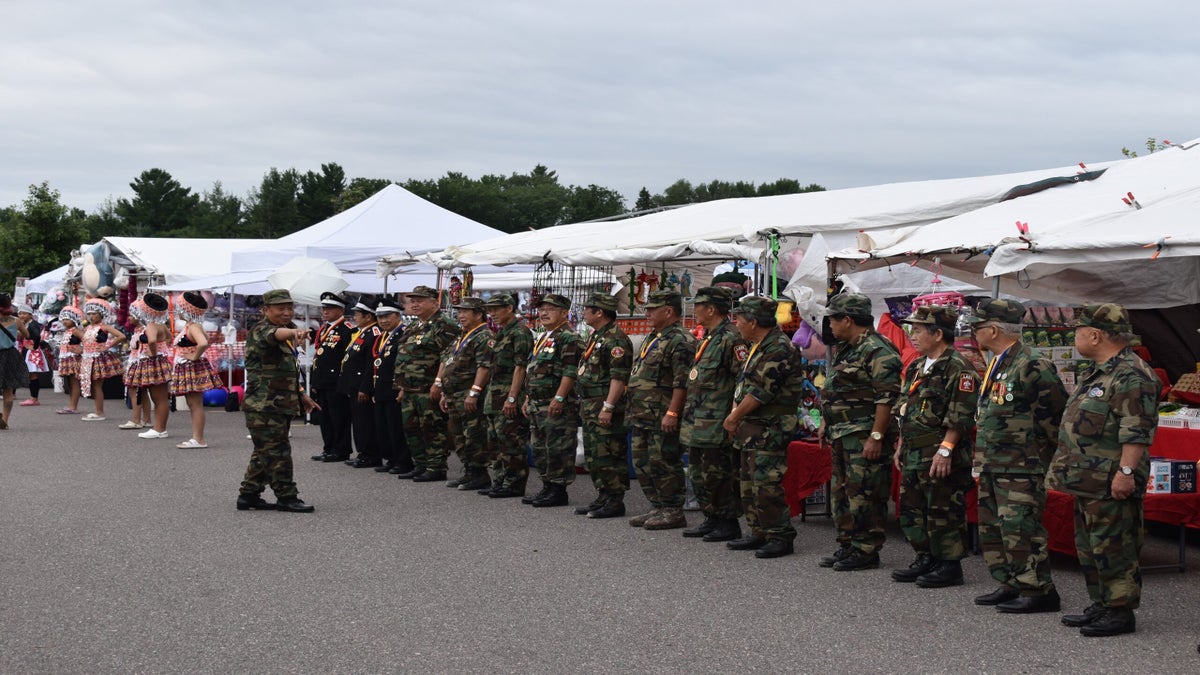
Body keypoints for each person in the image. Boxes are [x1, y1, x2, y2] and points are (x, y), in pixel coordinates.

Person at [1048, 303, 1159, 637]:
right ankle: (1101, 602)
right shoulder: (1099, 371)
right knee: (1091, 545)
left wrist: (1125, 473)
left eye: (1078, 331)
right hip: (1088, 479)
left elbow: (1136, 430)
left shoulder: (1131, 374)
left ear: (1094, 335)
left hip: (1111, 477)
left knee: (1115, 546)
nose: (1075, 336)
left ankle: (1120, 611)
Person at [966, 299, 1068, 613]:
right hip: (995, 462)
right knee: (994, 528)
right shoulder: (1000, 361)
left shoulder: (1031, 363)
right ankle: (1010, 582)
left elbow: (1055, 414)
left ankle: (1038, 589)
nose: (973, 333)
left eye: (977, 327)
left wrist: (1040, 456)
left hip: (1022, 465)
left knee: (1020, 527)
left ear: (993, 329)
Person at [892, 305, 979, 588]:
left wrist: (946, 450)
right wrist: (901, 444)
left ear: (938, 334)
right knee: (913, 507)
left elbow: (960, 414)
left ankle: (949, 564)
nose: (912, 336)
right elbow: (906, 407)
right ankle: (925, 556)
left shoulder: (958, 367)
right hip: (915, 449)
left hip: (939, 450)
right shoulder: (918, 365)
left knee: (943, 508)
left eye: (917, 330)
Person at [819, 293, 902, 571]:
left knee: (865, 492)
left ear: (848, 319)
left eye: (833, 318)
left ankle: (866, 548)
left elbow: (887, 398)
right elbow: (836, 390)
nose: (829, 324)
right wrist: (825, 423)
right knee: (842, 492)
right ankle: (849, 543)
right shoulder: (849, 347)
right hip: (843, 432)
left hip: (863, 434)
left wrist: (876, 436)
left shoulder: (879, 350)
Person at [722, 296, 804, 559]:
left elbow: (760, 393)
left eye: (740, 320)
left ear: (754, 322)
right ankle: (759, 530)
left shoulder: (778, 347)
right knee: (748, 481)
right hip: (754, 425)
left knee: (766, 482)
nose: (736, 324)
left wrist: (734, 417)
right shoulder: (759, 345)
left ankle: (779, 535)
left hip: (771, 425)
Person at [236, 289, 320, 513]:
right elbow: (274, 334)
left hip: (280, 403)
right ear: (266, 310)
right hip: (263, 406)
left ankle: (249, 495)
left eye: (289, 308)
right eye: (280, 308)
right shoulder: (260, 330)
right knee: (278, 452)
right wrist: (294, 333)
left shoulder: (290, 330)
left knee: (266, 451)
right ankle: (287, 497)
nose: (286, 312)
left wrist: (302, 395)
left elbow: (289, 369)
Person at [680, 286, 746, 541]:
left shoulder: (731, 338)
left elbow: (741, 380)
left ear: (711, 309)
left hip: (717, 418)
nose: (694, 310)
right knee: (699, 471)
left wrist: (733, 416)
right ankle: (712, 516)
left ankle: (727, 521)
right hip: (699, 418)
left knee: (719, 472)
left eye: (698, 305)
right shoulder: (709, 336)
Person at [627, 290, 695, 529]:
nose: (647, 313)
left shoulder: (681, 340)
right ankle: (657, 505)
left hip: (662, 413)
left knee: (664, 461)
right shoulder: (654, 336)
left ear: (668, 311)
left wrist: (673, 413)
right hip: (642, 414)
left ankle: (673, 510)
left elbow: (682, 382)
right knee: (643, 462)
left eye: (652, 309)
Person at [574, 291, 634, 518]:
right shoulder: (597, 336)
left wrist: (608, 407)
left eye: (587, 309)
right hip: (590, 405)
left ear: (599, 312)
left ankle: (615, 499)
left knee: (610, 451)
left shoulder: (616, 340)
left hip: (604, 406)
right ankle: (603, 494)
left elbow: (619, 378)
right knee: (595, 453)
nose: (583, 313)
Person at [392, 285, 459, 482]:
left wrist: (438, 384)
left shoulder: (443, 325)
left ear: (434, 303)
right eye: (412, 301)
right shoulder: (416, 325)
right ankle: (420, 464)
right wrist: (403, 387)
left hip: (427, 387)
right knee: (411, 428)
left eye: (420, 300)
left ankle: (436, 466)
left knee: (432, 427)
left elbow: (448, 357)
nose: (415, 304)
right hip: (411, 388)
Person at [522, 293, 582, 507]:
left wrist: (559, 397)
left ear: (564, 313)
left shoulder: (569, 337)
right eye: (541, 309)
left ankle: (558, 490)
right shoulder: (545, 336)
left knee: (558, 447)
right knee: (540, 448)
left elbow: (570, 371)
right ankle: (547, 486)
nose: (544, 313)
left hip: (556, 403)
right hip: (538, 402)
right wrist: (528, 397)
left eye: (550, 309)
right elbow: (535, 370)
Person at [435, 297, 494, 490]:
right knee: (458, 435)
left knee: (473, 435)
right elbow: (448, 360)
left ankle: (479, 474)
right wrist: (444, 391)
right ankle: (469, 472)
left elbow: (484, 367)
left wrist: (474, 392)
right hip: (454, 394)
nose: (460, 316)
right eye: (459, 312)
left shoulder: (484, 336)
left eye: (465, 312)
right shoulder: (463, 335)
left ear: (478, 314)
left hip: (468, 395)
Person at [480, 293, 533, 498]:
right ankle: (500, 479)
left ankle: (514, 482)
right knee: (494, 441)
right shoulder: (500, 333)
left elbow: (521, 367)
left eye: (496, 309)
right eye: (490, 309)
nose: (491, 313)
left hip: (508, 393)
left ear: (509, 308)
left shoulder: (520, 332)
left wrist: (512, 397)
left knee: (511, 440)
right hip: (494, 394)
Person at [170, 291, 222, 448]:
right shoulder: (192, 326)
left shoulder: (193, 327)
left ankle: (198, 439)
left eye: (180, 308)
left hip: (191, 367)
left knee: (195, 404)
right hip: (189, 366)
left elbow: (203, 343)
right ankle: (197, 437)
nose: (178, 311)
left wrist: (194, 356)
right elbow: (204, 340)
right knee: (193, 404)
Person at [309, 292, 354, 462]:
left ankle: (341, 449)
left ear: (341, 310)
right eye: (324, 308)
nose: (325, 311)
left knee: (339, 417)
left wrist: (344, 382)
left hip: (336, 381)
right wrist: (315, 380)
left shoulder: (347, 329)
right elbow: (319, 356)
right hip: (323, 380)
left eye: (330, 308)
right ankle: (328, 447)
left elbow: (347, 359)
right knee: (325, 417)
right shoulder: (324, 329)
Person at [368, 298, 412, 475]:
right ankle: (391, 458)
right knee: (383, 427)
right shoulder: (383, 336)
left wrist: (402, 387)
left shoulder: (404, 333)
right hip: (381, 387)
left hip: (394, 387)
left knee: (396, 427)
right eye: (380, 317)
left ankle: (403, 461)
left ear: (398, 315)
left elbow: (406, 362)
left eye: (387, 316)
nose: (383, 320)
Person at [339, 299, 381, 468]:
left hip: (362, 385)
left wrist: (365, 387)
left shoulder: (373, 334)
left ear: (368, 316)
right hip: (353, 384)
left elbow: (370, 364)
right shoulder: (362, 332)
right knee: (358, 421)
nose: (355, 316)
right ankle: (363, 452)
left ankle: (370, 454)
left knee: (365, 422)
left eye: (358, 314)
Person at [129, 293, 173, 440]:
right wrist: (163, 347)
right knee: (159, 398)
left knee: (159, 398)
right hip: (157, 362)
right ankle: (159, 428)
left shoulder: (152, 325)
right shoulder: (160, 325)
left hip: (154, 362)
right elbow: (169, 337)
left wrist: (153, 352)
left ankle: (160, 429)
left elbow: (152, 340)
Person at [79, 298, 128, 422]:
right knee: (93, 385)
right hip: (87, 357)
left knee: (97, 385)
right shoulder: (87, 328)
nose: (91, 316)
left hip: (97, 358)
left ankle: (99, 412)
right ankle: (97, 411)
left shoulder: (104, 327)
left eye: (94, 314)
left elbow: (121, 336)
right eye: (89, 314)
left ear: (101, 314)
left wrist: (107, 345)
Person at [0, 293, 30, 429]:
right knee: (8, 390)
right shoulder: (15, 320)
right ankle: (5, 420)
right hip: (11, 356)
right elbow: (26, 335)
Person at [120, 305, 153, 430]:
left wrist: (149, 352)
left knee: (135, 391)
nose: (129, 318)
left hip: (138, 362)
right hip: (135, 361)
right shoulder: (138, 330)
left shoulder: (145, 330)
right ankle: (147, 419)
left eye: (131, 315)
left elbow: (158, 341)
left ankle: (136, 420)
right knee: (142, 392)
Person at [16, 305, 51, 407]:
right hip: (28, 351)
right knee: (31, 375)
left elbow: (37, 336)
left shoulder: (32, 325)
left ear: (30, 315)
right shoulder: (26, 324)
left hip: (32, 352)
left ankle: (34, 398)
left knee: (33, 375)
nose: (21, 315)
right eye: (20, 313)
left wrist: (35, 346)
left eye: (24, 313)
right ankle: (33, 397)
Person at [54, 305, 85, 415]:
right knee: (70, 383)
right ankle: (71, 404)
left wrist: (81, 349)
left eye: (68, 319)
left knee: (74, 382)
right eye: (63, 319)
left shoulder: (75, 331)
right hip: (67, 358)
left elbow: (87, 340)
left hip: (73, 359)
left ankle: (73, 406)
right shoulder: (67, 331)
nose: (65, 322)